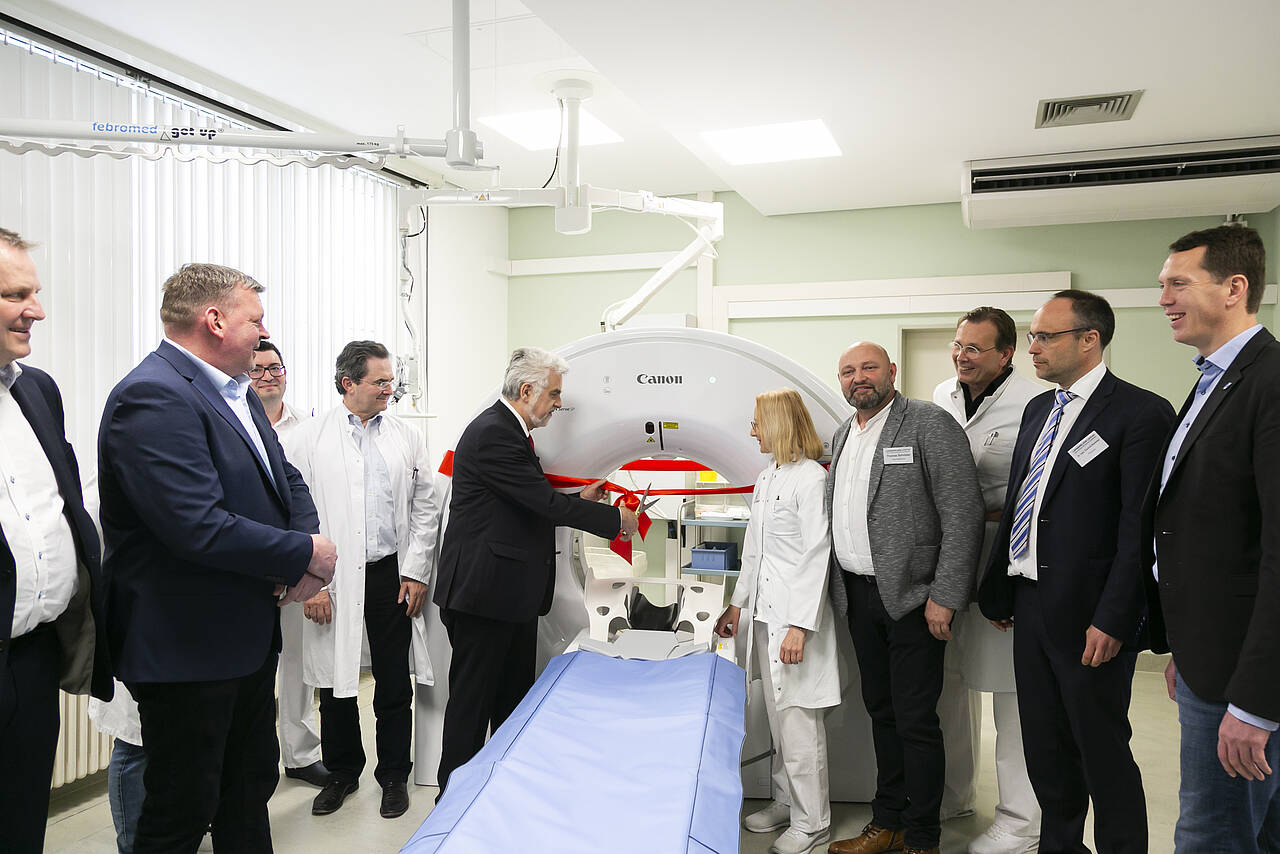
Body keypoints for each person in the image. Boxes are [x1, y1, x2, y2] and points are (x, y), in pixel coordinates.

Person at [98, 262, 338, 853]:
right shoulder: (153, 395)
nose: (264, 332)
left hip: (242, 638)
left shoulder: (235, 392)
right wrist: (302, 552)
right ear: (214, 320)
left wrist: (306, 553)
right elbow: (195, 526)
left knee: (246, 792)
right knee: (183, 810)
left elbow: (286, 479)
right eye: (255, 320)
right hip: (188, 648)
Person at [979, 290, 1174, 854]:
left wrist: (1115, 619)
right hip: (1031, 604)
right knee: (1045, 747)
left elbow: (1138, 529)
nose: (1032, 348)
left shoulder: (1140, 413)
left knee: (1101, 750)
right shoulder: (1040, 409)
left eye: (1045, 336)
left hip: (1092, 615)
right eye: (1032, 336)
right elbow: (1024, 500)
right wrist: (1002, 589)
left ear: (1090, 339)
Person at [433, 346, 639, 796]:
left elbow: (522, 502)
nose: (558, 403)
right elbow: (541, 502)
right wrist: (614, 521)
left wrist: (579, 501)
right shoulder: (493, 432)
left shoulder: (512, 432)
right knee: (472, 705)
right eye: (554, 394)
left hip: (511, 595)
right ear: (527, 390)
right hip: (483, 594)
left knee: (511, 702)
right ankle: (453, 798)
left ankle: (497, 791)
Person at [1144, 225, 1280, 852]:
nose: (1163, 298)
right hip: (1214, 654)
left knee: (1210, 836)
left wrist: (1254, 702)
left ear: (1234, 288)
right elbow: (1213, 531)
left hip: (1243, 679)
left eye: (1178, 283)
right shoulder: (1215, 380)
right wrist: (1188, 644)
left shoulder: (1269, 382)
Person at [825, 342, 983, 854]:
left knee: (915, 721)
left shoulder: (928, 423)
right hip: (859, 594)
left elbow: (963, 512)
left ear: (891, 371)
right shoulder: (843, 433)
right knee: (881, 712)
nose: (858, 378)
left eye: (868, 367)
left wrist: (946, 595)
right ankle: (887, 821)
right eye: (848, 372)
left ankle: (922, 836)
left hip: (915, 598)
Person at [288, 340, 440, 819]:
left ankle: (393, 776)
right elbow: (295, 512)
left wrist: (415, 570)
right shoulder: (309, 438)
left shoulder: (406, 436)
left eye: (391, 380)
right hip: (331, 577)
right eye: (380, 381)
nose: (389, 389)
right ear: (348, 383)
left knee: (393, 681)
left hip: (391, 574)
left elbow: (425, 505)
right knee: (335, 680)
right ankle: (342, 773)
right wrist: (312, 582)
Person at [0, 227, 113, 854]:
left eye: (34, 293)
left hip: (34, 658)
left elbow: (61, 506)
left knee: (22, 822)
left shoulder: (36, 390)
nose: (36, 311)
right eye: (16, 295)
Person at [931, 307, 1042, 854]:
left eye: (975, 348)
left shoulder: (1035, 402)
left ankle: (1021, 821)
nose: (962, 357)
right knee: (948, 681)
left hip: (1003, 550)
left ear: (1006, 354)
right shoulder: (941, 395)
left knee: (1010, 691)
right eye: (958, 345)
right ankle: (953, 794)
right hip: (948, 553)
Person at [714, 388, 841, 854]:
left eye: (757, 423)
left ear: (779, 424)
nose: (752, 432)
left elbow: (817, 555)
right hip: (765, 617)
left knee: (800, 725)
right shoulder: (768, 477)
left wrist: (799, 628)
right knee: (777, 719)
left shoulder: (811, 480)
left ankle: (813, 823)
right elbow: (754, 551)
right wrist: (736, 605)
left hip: (795, 622)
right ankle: (787, 801)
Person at [251, 340, 330, 789]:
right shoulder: (230, 420)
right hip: (252, 562)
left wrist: (317, 577)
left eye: (275, 368)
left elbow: (316, 499)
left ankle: (300, 755)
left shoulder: (312, 429)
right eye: (258, 369)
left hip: (298, 562)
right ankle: (255, 758)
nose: (268, 376)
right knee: (251, 671)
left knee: (299, 663)